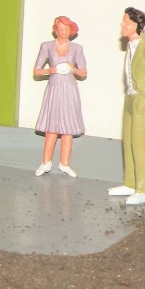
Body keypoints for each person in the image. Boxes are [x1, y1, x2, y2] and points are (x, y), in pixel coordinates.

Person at [109, 7, 145, 205]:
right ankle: (130, 183)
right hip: (130, 99)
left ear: (137, 25)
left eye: (126, 22)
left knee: (140, 145)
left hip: (143, 102)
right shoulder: (131, 45)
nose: (122, 25)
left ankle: (144, 190)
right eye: (123, 21)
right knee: (128, 142)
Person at [33, 16, 87, 177]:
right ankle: (45, 163)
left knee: (68, 130)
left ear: (71, 30)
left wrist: (73, 68)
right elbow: (36, 71)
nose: (63, 32)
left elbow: (83, 72)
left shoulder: (77, 48)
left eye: (66, 29)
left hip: (69, 89)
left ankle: (65, 163)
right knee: (51, 128)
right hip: (54, 88)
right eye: (60, 29)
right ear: (55, 30)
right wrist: (51, 70)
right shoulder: (47, 46)